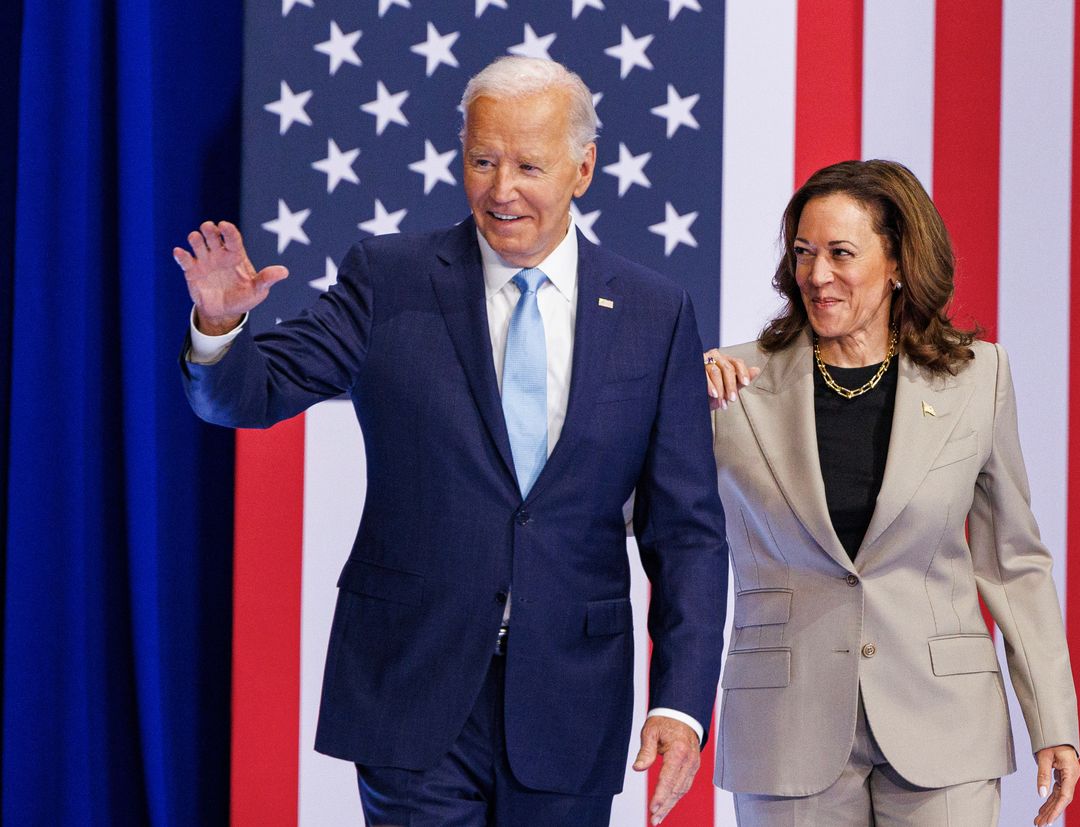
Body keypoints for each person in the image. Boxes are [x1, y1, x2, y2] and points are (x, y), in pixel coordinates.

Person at [174, 56, 727, 827]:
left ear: (583, 168)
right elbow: (249, 394)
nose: (502, 189)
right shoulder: (388, 277)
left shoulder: (653, 311)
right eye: (482, 160)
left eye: (529, 165)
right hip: (413, 690)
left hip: (570, 698)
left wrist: (680, 703)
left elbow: (688, 534)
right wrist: (220, 328)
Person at [703, 160, 1080, 827]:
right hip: (788, 728)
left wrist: (1052, 719)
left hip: (943, 721)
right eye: (803, 253)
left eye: (841, 253)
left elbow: (1013, 561)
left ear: (898, 261)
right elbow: (633, 512)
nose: (818, 275)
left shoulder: (978, 377)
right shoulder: (731, 382)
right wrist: (672, 407)